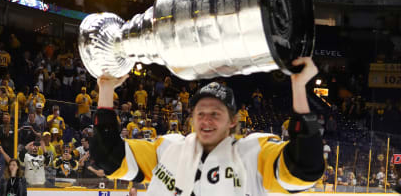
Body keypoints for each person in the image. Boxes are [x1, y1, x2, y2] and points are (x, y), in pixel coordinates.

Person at [90, 57, 325, 195]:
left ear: (233, 121)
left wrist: (299, 88)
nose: (206, 119)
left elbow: (304, 169)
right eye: (201, 112)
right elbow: (109, 157)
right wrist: (107, 90)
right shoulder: (168, 149)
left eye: (215, 113)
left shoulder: (254, 153)